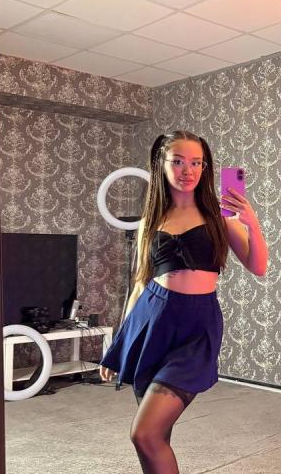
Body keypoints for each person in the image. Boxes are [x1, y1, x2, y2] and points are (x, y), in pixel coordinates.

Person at [99, 130, 268, 474]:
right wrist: (118, 343)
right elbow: (139, 283)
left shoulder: (220, 217)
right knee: (156, 436)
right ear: (161, 164)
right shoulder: (151, 220)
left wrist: (251, 223)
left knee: (144, 433)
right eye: (177, 161)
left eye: (196, 162)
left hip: (196, 328)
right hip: (151, 321)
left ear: (205, 168)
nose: (187, 170)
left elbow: (259, 266)